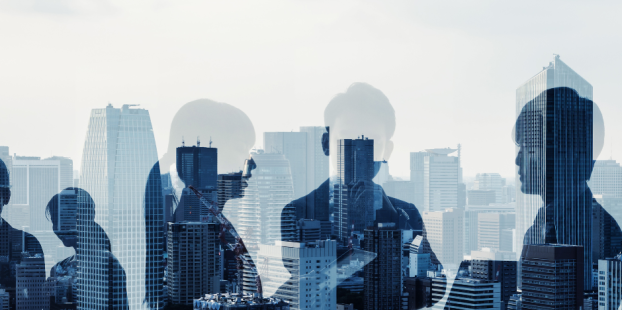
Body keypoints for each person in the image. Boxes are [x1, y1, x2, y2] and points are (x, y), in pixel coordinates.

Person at [45, 187, 129, 309]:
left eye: (64, 217)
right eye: (54, 220)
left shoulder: (108, 264)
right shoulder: (58, 268)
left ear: (87, 216)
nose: (58, 227)